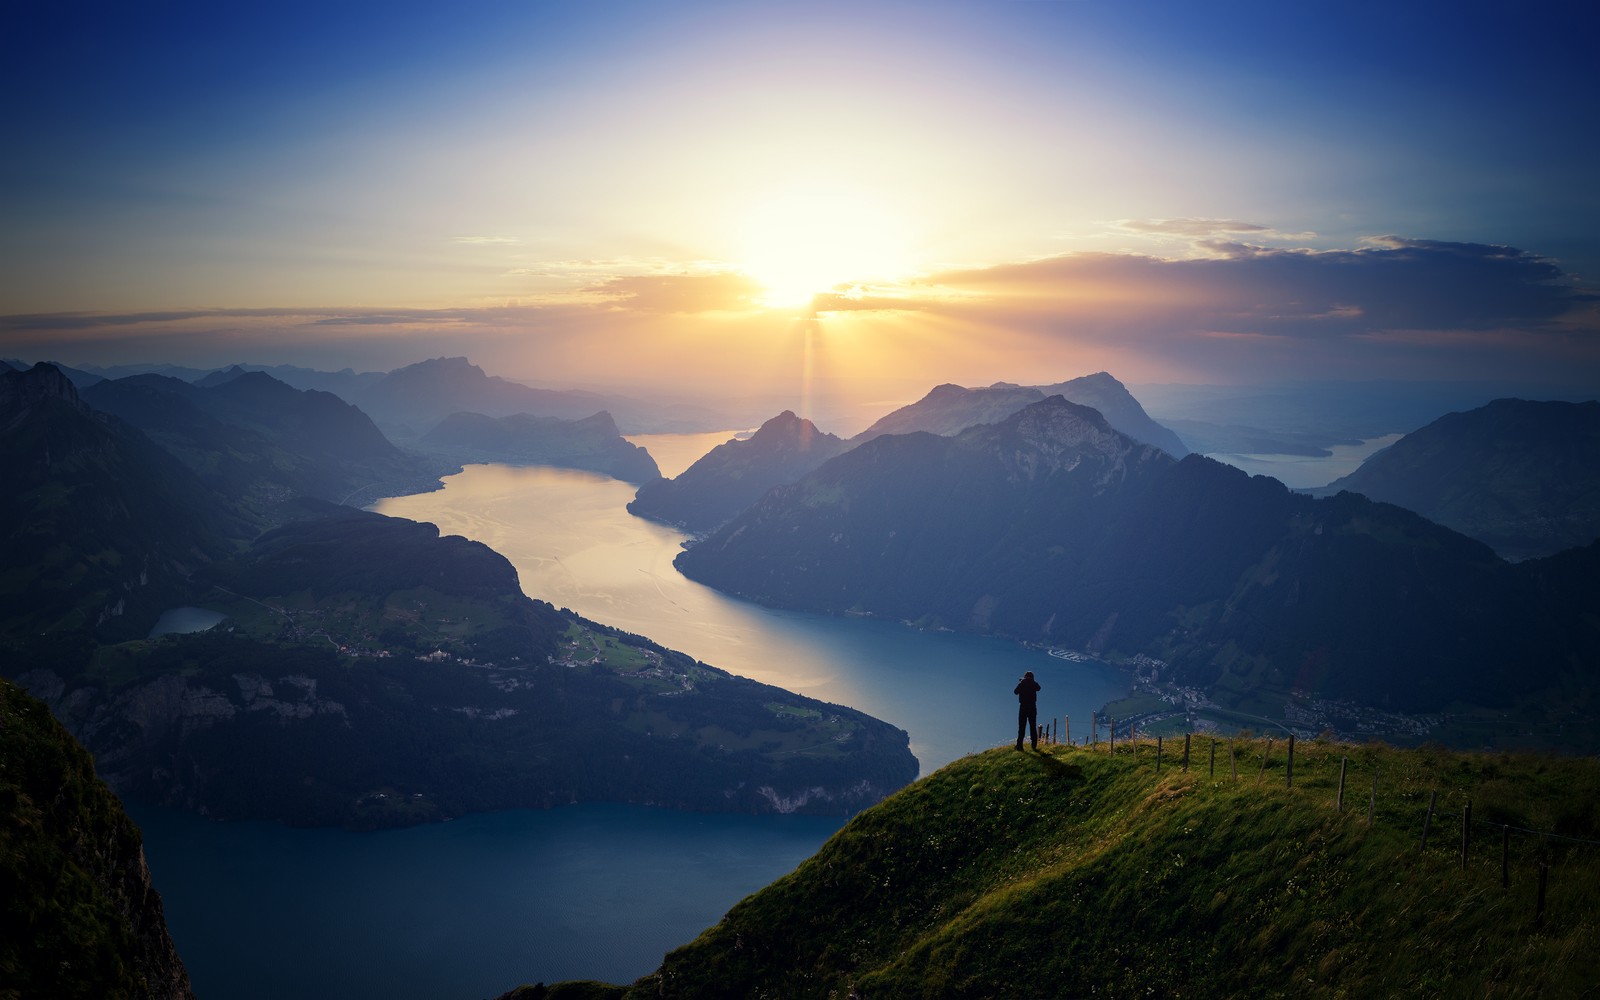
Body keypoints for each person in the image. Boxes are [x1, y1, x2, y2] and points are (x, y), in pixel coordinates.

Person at [1014, 670, 1041, 750]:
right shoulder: (1034, 684)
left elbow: (1015, 692)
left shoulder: (1022, 683)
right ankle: (1034, 745)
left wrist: (1022, 682)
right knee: (1033, 726)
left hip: (1023, 707)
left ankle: (1019, 746)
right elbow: (1039, 688)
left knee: (1022, 727)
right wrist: (1031, 681)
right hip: (1032, 707)